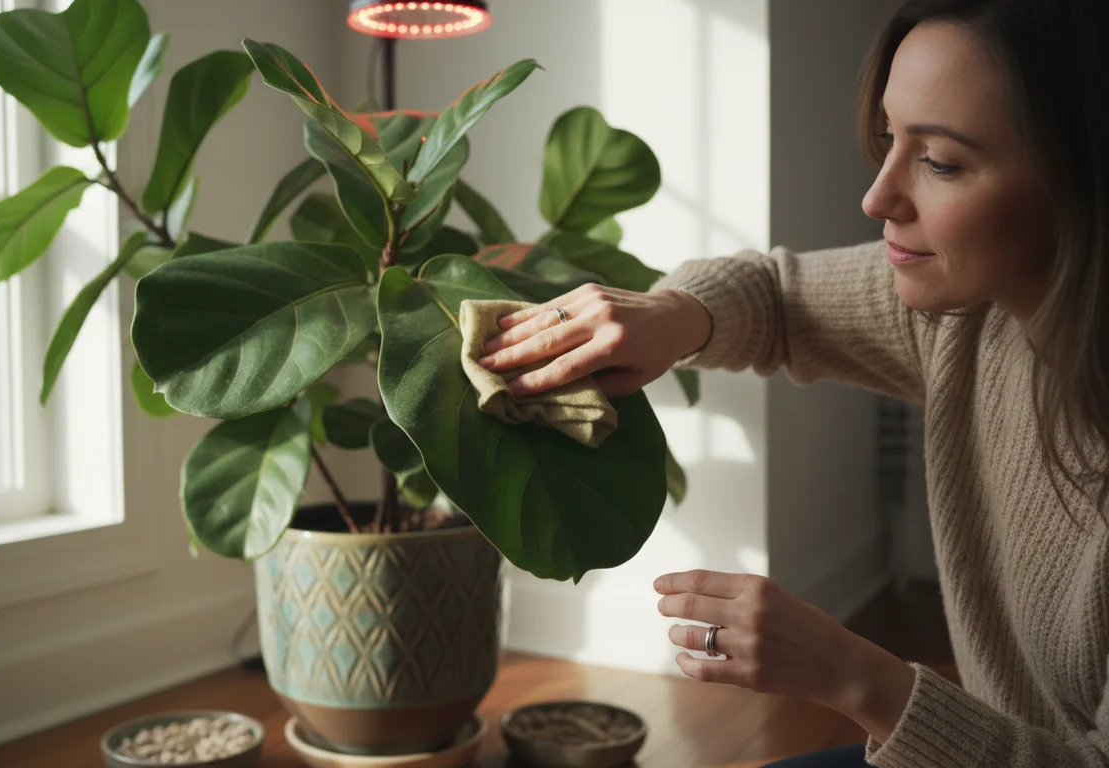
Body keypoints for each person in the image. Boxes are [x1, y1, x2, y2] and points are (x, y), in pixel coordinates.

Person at [474, 0, 1109, 765]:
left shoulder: (966, 318)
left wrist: (856, 676)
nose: (877, 198)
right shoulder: (977, 315)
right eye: (887, 139)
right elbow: (776, 297)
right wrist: (673, 314)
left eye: (939, 161)